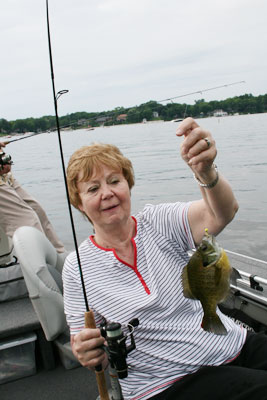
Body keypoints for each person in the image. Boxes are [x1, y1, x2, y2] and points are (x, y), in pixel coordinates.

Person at [62, 118, 267, 400]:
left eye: (114, 181)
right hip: (168, 382)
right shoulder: (77, 268)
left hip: (232, 343)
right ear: (79, 202)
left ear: (128, 184)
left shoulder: (158, 221)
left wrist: (206, 172)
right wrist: (86, 351)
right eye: (93, 189)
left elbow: (222, 212)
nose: (107, 193)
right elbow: (85, 344)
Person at [0, 141, 65, 254]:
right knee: (27, 220)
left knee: (38, 211)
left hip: (6, 178)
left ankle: (61, 257)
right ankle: (42, 264)